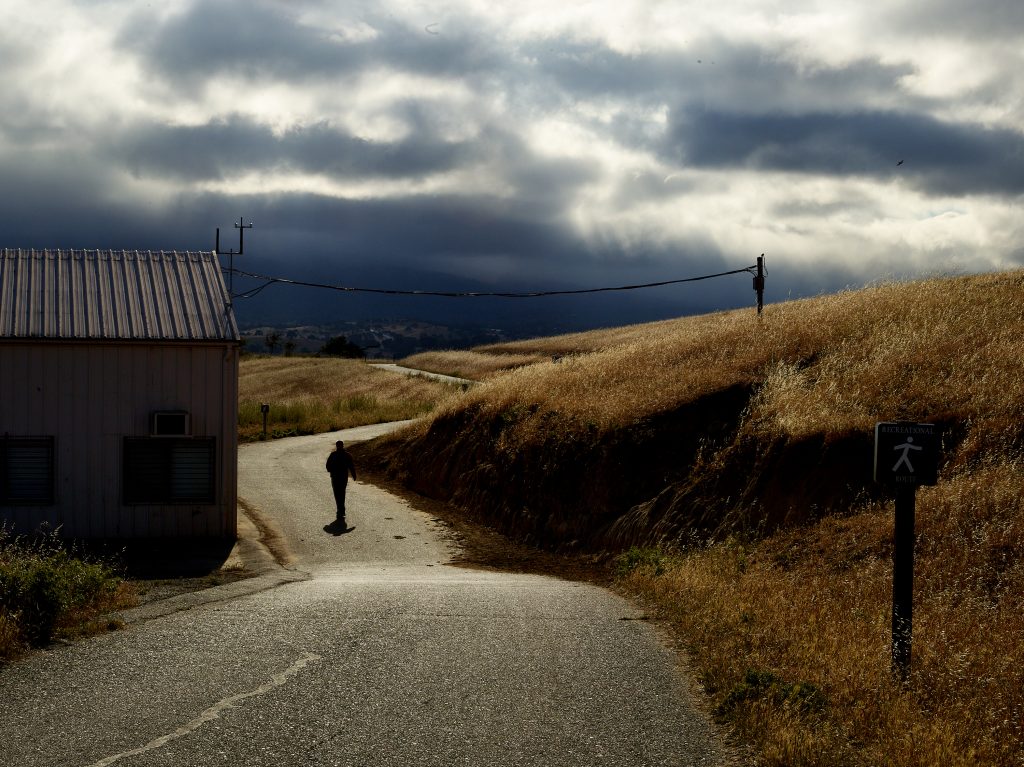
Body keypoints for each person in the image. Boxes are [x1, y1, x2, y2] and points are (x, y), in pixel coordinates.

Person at [325, 440, 357, 526]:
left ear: (340, 446)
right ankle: (341, 509)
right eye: (338, 445)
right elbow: (328, 466)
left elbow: (351, 466)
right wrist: (354, 475)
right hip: (340, 477)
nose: (339, 447)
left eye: (339, 445)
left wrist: (354, 475)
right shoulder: (345, 455)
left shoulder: (337, 455)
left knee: (339, 493)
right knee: (340, 493)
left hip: (338, 477)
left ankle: (340, 509)